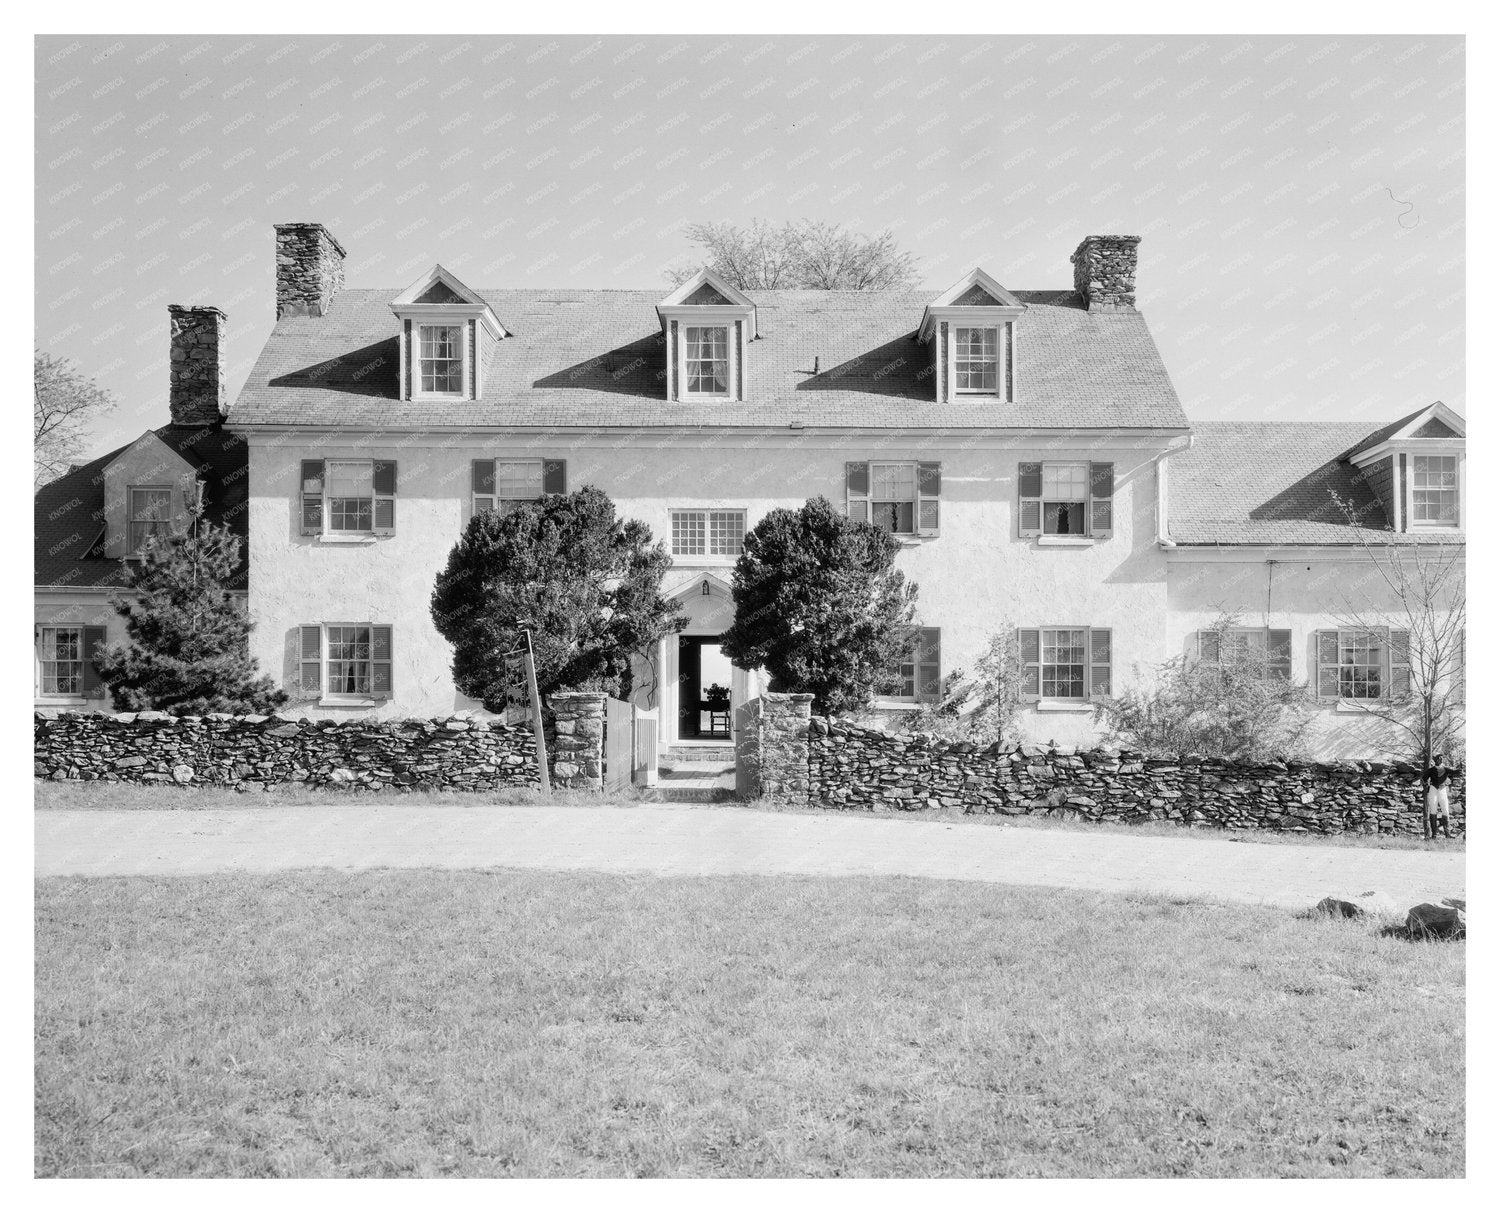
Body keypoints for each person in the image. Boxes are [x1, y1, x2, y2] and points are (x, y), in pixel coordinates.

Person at [1423, 753, 1454, 840]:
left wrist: (1461, 769)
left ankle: (1447, 834)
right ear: (1435, 760)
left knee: (1445, 810)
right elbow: (1424, 778)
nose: (1440, 760)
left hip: (1443, 789)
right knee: (1433, 810)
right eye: (1439, 758)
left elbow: (1455, 772)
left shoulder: (1445, 769)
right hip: (1433, 789)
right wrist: (1425, 785)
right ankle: (1434, 835)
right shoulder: (1430, 770)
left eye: (1441, 758)